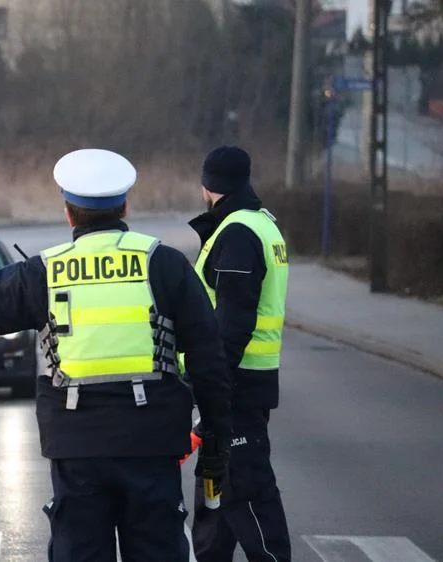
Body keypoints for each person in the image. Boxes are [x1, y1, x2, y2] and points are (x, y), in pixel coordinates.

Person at [0, 148, 234, 561]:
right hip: (151, 446)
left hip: (76, 449)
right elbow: (210, 361)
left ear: (68, 212)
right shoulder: (164, 264)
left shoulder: (44, 272)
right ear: (125, 206)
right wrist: (216, 440)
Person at [187, 146, 291, 562]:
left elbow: (233, 322)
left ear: (209, 187)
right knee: (215, 491)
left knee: (247, 487)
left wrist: (214, 383)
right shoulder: (261, 225)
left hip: (235, 384)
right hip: (244, 379)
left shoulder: (239, 233)